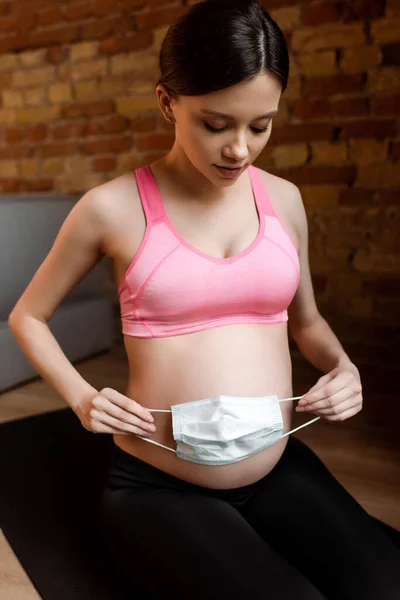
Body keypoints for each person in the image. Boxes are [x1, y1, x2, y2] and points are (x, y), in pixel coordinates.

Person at [8, 0, 400, 598]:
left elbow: (308, 321)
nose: (240, 149)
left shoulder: (285, 201)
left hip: (275, 462)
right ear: (168, 102)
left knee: (384, 580)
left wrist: (342, 368)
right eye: (217, 124)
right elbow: (28, 316)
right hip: (156, 483)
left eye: (260, 125)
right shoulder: (111, 208)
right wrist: (83, 399)